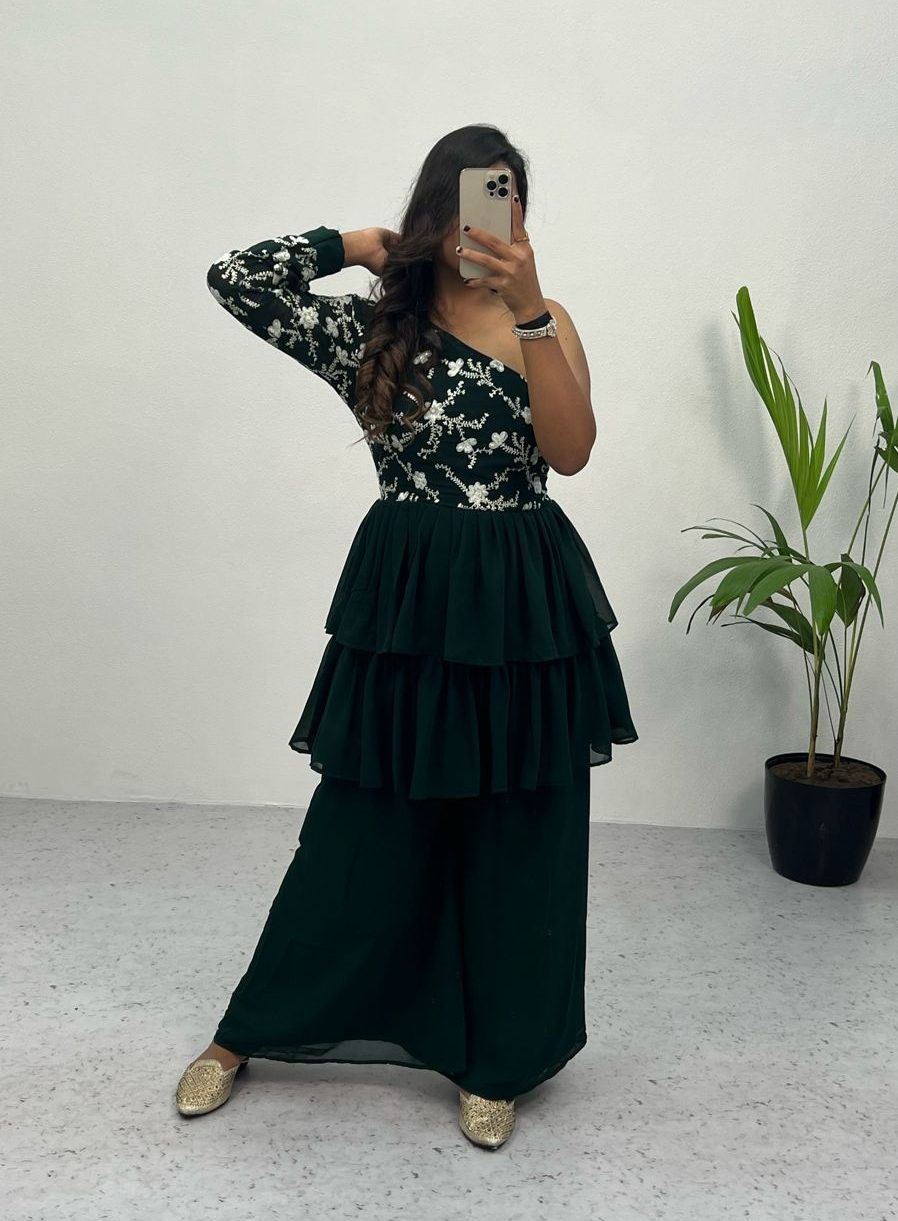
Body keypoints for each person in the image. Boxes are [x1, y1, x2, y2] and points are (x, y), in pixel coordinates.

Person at [175, 124, 638, 1150]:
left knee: (521, 832)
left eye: (509, 199)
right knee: (362, 827)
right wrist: (357, 244)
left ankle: (498, 1058)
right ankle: (246, 1032)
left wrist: (530, 310)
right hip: (410, 600)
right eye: (475, 199)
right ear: (439, 208)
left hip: (524, 604)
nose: (493, 221)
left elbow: (571, 454)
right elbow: (235, 280)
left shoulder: (546, 318)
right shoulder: (374, 330)